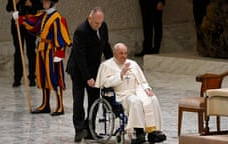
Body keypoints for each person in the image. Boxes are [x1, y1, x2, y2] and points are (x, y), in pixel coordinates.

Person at [95, 43, 166, 143]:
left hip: (136, 91)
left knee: (152, 99)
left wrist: (147, 89)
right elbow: (105, 83)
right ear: (114, 53)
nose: (124, 56)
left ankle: (153, 132)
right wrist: (121, 74)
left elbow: (142, 81)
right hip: (120, 94)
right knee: (135, 101)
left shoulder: (132, 64)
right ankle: (138, 132)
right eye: (121, 53)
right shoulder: (106, 65)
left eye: (125, 53)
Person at [12, 0, 72, 116]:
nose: (44, 2)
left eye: (46, 1)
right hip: (42, 50)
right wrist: (19, 19)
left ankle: (60, 105)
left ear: (51, 2)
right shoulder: (43, 16)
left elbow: (62, 36)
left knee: (55, 77)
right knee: (44, 77)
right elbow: (33, 24)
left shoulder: (57, 18)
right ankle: (45, 104)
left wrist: (59, 54)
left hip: (52, 51)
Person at [66, 7, 113, 142]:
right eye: (95, 23)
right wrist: (88, 77)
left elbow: (106, 47)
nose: (98, 26)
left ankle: (90, 129)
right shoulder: (81, 31)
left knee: (94, 99)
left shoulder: (103, 27)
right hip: (79, 70)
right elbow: (80, 57)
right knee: (79, 99)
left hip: (94, 68)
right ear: (89, 18)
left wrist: (112, 67)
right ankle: (79, 130)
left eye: (100, 23)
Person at [6, 0, 43, 87]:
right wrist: (15, 3)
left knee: (31, 51)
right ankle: (17, 78)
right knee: (18, 51)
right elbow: (8, 8)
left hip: (30, 23)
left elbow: (40, 6)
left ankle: (32, 77)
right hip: (17, 24)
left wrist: (31, 4)